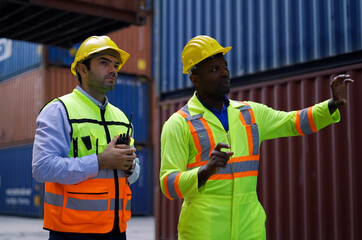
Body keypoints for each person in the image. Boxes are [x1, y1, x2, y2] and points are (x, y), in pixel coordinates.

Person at [159, 35, 354, 240]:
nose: (225, 73)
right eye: (214, 69)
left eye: (225, 66)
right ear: (194, 79)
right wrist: (205, 171)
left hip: (250, 230)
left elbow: (293, 122)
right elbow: (169, 185)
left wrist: (331, 104)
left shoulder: (250, 113)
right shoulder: (179, 123)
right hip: (203, 232)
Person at [32, 35, 140, 240]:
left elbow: (134, 174)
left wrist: (130, 167)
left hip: (116, 231)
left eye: (115, 64)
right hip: (72, 231)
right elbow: (42, 168)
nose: (113, 70)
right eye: (104, 63)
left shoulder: (121, 117)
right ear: (83, 69)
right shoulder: (59, 111)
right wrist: (100, 161)